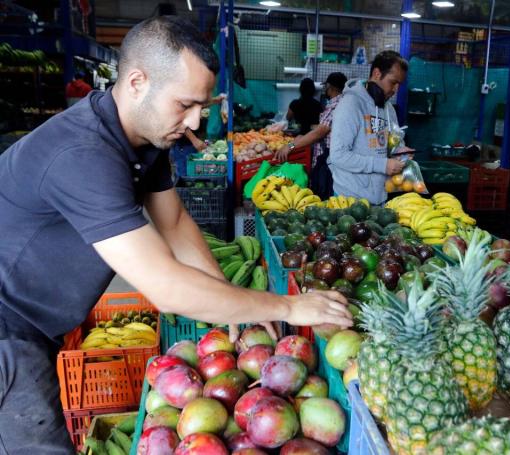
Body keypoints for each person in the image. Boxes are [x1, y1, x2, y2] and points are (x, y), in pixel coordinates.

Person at [0, 16, 351, 453]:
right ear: (137, 82)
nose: (195, 122)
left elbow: (175, 224)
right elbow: (165, 287)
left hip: (34, 323)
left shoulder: (141, 142)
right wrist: (287, 306)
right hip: (8, 326)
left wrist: (231, 303)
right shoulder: (84, 154)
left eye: (201, 107)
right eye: (184, 104)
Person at [328, 51, 410, 206]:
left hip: (380, 198)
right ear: (377, 73)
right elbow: (338, 156)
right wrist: (382, 165)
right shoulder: (350, 105)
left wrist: (401, 151)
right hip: (349, 200)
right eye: (393, 82)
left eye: (400, 84)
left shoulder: (389, 109)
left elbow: (393, 144)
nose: (395, 90)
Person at [276, 72, 347, 200]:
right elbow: (324, 128)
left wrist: (291, 145)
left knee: (322, 193)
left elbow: (320, 132)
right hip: (329, 158)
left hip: (328, 162)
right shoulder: (340, 104)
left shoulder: (336, 106)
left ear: (330, 87)